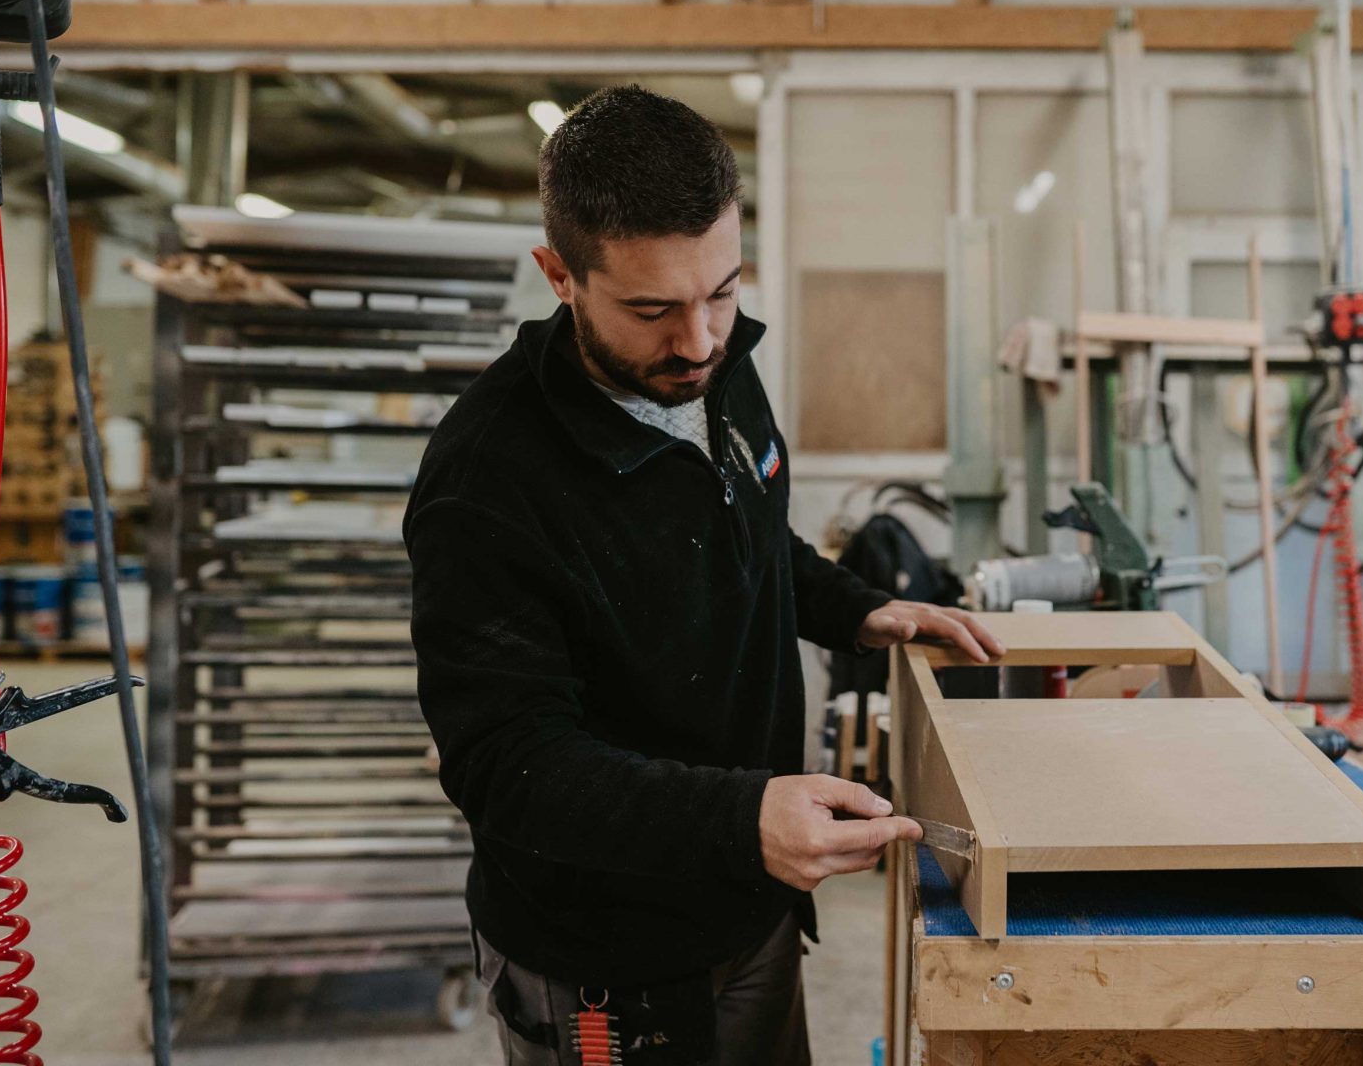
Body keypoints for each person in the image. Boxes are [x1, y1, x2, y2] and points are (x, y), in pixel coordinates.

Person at [406, 84, 1003, 1065]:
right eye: (650, 309)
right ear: (558, 274)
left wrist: (861, 611)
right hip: (604, 956)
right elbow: (504, 765)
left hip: (748, 901)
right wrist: (739, 818)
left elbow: (751, 540)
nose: (697, 340)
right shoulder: (490, 482)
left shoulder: (720, 370)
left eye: (722, 289)